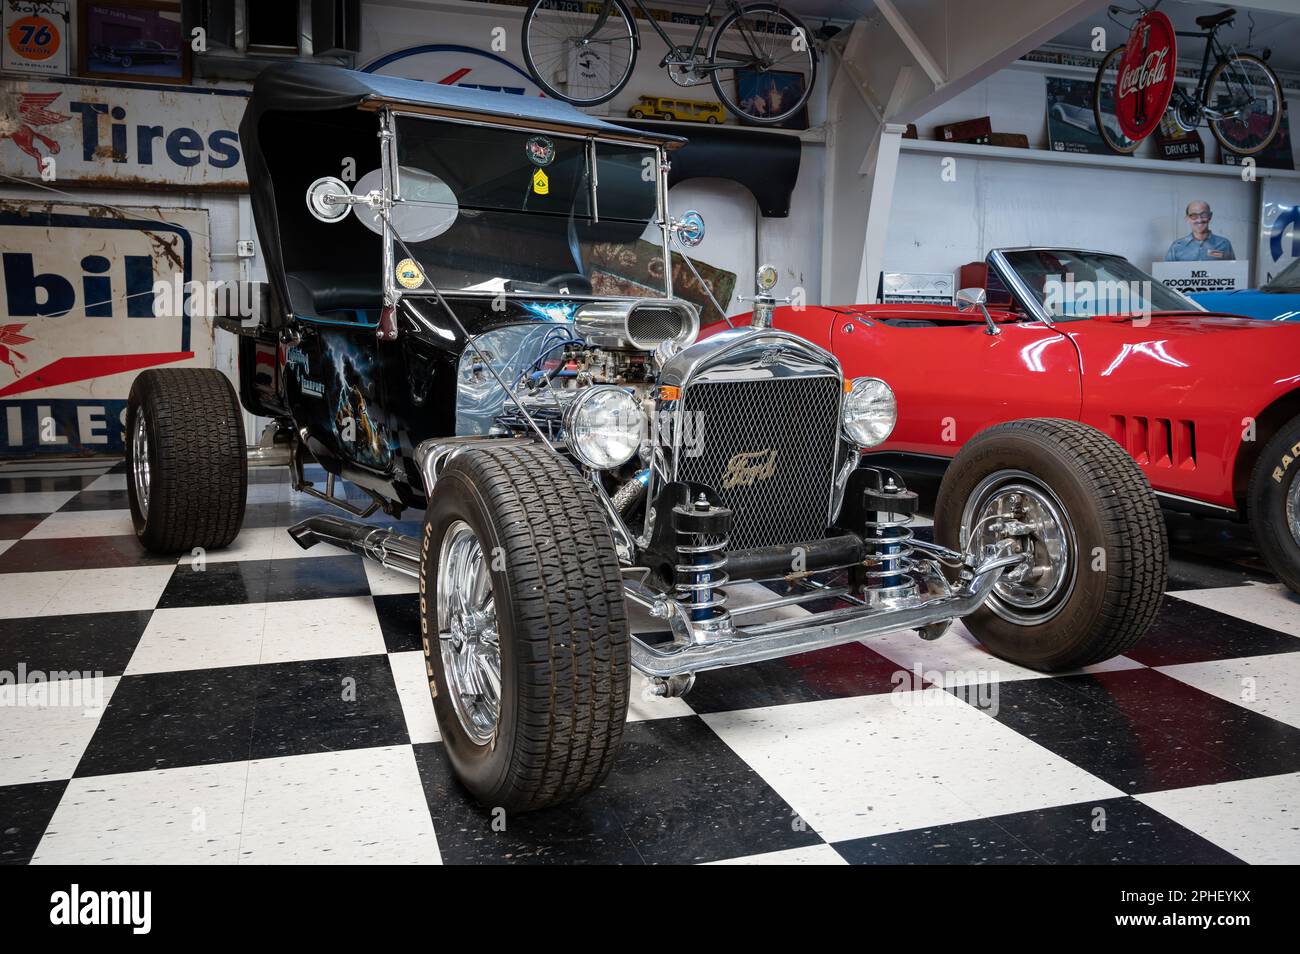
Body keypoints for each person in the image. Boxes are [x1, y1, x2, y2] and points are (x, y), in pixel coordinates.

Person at [1166, 201, 1235, 261]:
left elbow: (1232, 271)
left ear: (1210, 216)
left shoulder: (1224, 244)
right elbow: (1168, 273)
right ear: (1187, 218)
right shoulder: (1177, 246)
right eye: (1194, 215)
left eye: (1204, 215)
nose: (1199, 220)